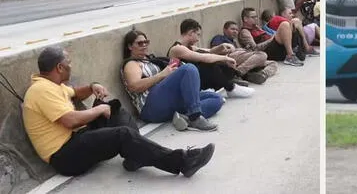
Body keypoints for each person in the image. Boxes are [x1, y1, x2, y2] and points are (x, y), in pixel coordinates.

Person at [22, 46, 214, 177]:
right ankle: (181, 162)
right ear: (59, 67)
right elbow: (70, 120)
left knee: (114, 107)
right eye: (69, 62)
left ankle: (137, 154)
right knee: (121, 133)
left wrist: (92, 86)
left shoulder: (53, 85)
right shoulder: (41, 90)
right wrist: (99, 109)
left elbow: (74, 93)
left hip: (75, 140)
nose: (71, 65)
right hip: (65, 156)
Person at [121, 30, 221, 131]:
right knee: (189, 69)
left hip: (166, 101)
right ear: (130, 46)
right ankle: (195, 117)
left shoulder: (149, 59)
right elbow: (134, 86)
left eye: (146, 42)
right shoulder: (132, 64)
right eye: (140, 43)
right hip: (150, 106)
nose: (144, 45)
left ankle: (184, 117)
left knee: (216, 98)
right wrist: (162, 75)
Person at [167, 19, 255, 98]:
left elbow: (209, 51)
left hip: (196, 80)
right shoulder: (177, 48)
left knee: (225, 67)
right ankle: (231, 88)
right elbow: (204, 58)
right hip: (185, 84)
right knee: (207, 64)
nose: (198, 39)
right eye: (198, 35)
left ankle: (221, 87)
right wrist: (225, 58)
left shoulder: (189, 47)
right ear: (190, 32)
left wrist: (221, 47)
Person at [210, 21, 278, 85]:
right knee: (262, 55)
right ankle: (237, 73)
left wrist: (245, 50)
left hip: (241, 58)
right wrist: (230, 50)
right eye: (232, 29)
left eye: (236, 30)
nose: (235, 31)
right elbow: (215, 51)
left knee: (273, 63)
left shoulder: (234, 42)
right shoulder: (219, 38)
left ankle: (259, 74)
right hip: (229, 57)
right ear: (224, 30)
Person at [238, 7, 305, 66]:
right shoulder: (245, 32)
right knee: (284, 25)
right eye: (253, 17)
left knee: (295, 21)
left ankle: (305, 47)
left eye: (256, 16)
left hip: (274, 45)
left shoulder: (256, 27)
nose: (256, 19)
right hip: (267, 50)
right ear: (245, 19)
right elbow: (254, 49)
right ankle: (290, 56)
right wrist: (272, 39)